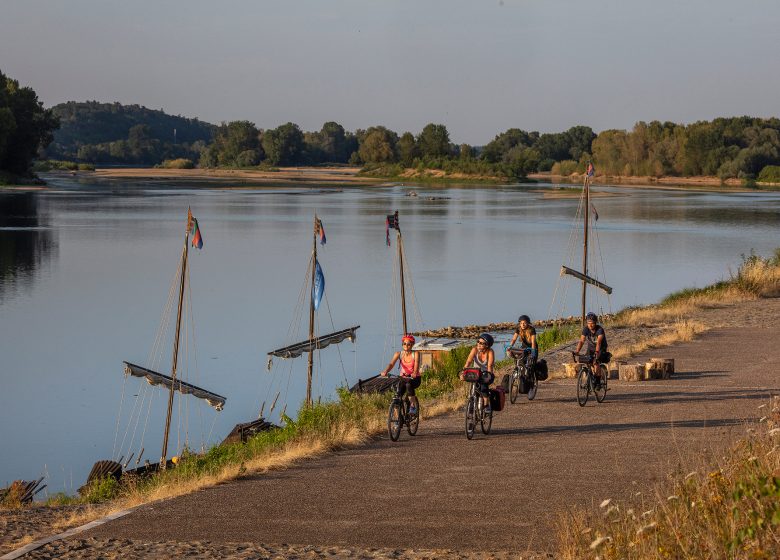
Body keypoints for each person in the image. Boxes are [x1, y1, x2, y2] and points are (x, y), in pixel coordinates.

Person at [380, 334, 421, 416]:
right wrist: (385, 371)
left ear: (412, 345)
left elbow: (416, 364)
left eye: (409, 344)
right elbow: (391, 364)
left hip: (414, 378)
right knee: (397, 395)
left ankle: (413, 407)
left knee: (409, 385)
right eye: (404, 344)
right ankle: (397, 419)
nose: (406, 345)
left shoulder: (416, 354)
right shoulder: (399, 354)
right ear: (402, 344)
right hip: (403, 378)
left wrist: (414, 372)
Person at [462, 332, 495, 412]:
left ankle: (486, 405)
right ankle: (472, 403)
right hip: (475, 372)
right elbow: (468, 362)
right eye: (478, 342)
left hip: (485, 373)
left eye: (481, 343)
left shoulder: (490, 352)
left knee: (483, 387)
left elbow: (490, 366)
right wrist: (463, 372)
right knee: (474, 388)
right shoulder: (474, 350)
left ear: (487, 345)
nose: (479, 344)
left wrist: (489, 375)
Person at [574, 312, 609, 384]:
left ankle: (598, 381)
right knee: (587, 361)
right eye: (588, 323)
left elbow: (599, 342)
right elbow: (581, 341)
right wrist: (577, 351)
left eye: (592, 323)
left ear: (595, 323)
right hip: (590, 348)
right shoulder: (586, 329)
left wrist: (597, 352)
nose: (590, 325)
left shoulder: (600, 329)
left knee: (595, 362)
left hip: (601, 348)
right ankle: (590, 376)